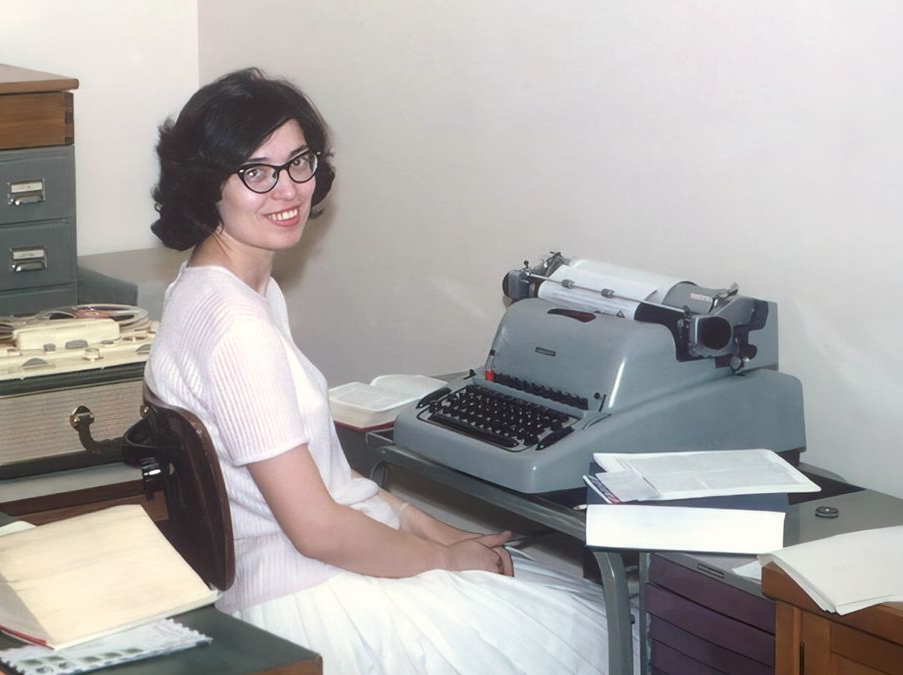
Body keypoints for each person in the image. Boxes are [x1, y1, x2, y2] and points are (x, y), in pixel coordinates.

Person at [145, 68, 609, 674]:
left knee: (562, 596)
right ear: (207, 184)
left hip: (282, 574)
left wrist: (433, 529)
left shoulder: (207, 288)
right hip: (307, 596)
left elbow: (329, 483)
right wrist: (444, 562)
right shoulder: (236, 329)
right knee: (596, 627)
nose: (287, 191)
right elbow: (317, 530)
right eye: (255, 172)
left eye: (298, 163)